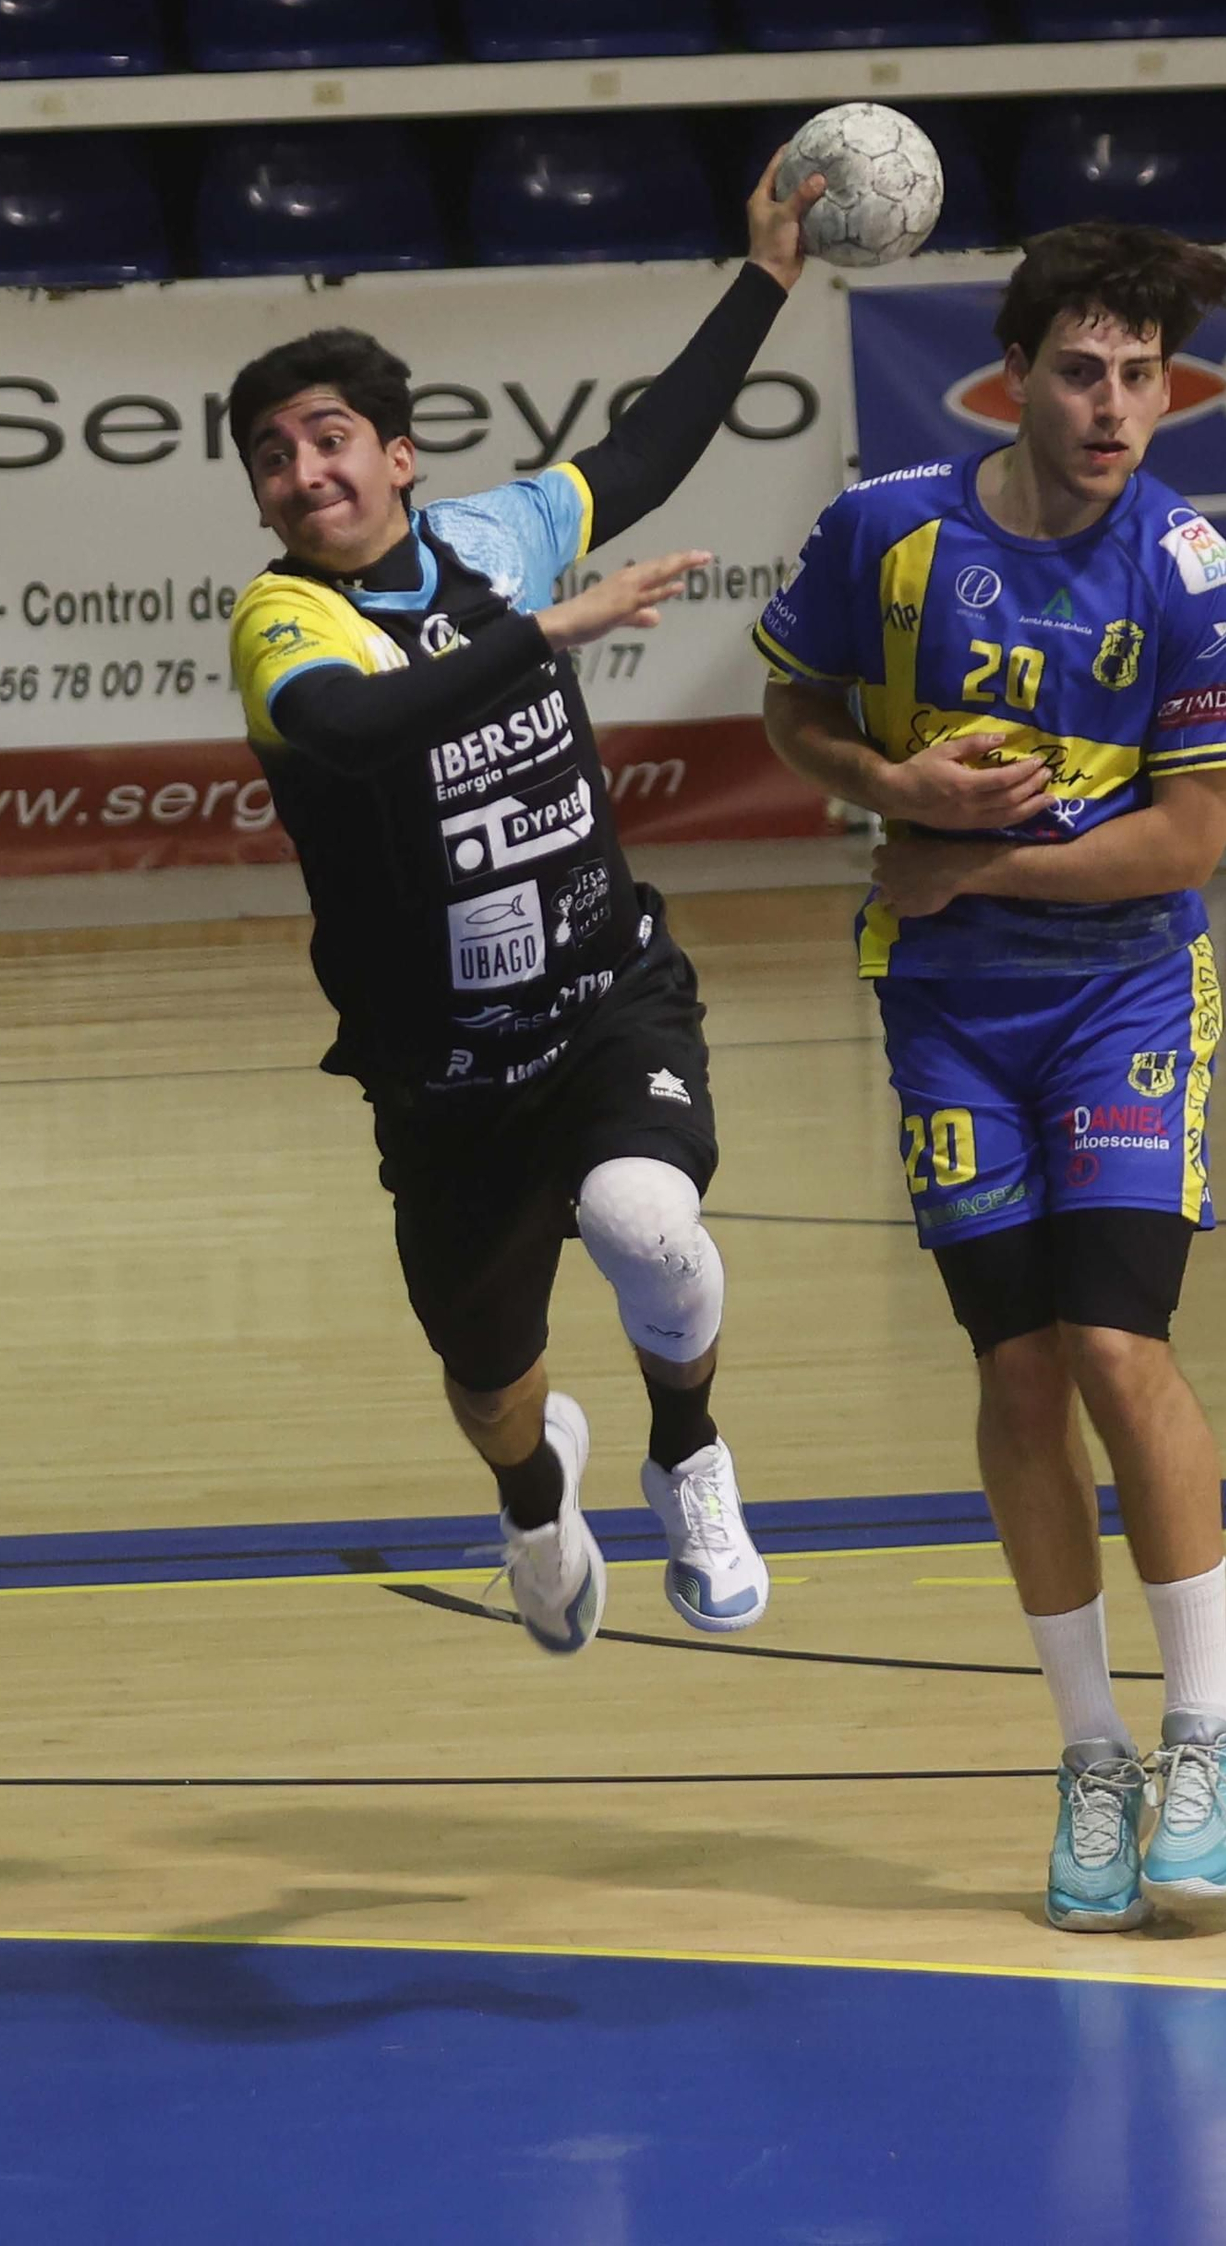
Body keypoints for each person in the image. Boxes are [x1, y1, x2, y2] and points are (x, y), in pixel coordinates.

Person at [224, 154, 822, 1658]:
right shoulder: (282, 618)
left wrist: (766, 276)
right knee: (491, 1381)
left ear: (402, 455)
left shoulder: (497, 538)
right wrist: (554, 633)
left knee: (645, 1216)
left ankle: (688, 1452)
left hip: (606, 994)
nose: (307, 473)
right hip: (445, 1075)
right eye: (276, 459)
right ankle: (533, 1486)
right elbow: (355, 730)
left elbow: (652, 446)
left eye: (332, 439)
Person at [756, 220, 1226, 1929]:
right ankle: (1092, 1756)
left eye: (1143, 373)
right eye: (1083, 370)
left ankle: (1211, 1728)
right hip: (950, 1014)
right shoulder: (887, 528)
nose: (1117, 402)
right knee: (1019, 1374)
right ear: (1015, 375)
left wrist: (962, 859)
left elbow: (1184, 840)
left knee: (1124, 1346)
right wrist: (892, 781)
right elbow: (796, 711)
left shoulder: (1193, 570)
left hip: (1123, 993)